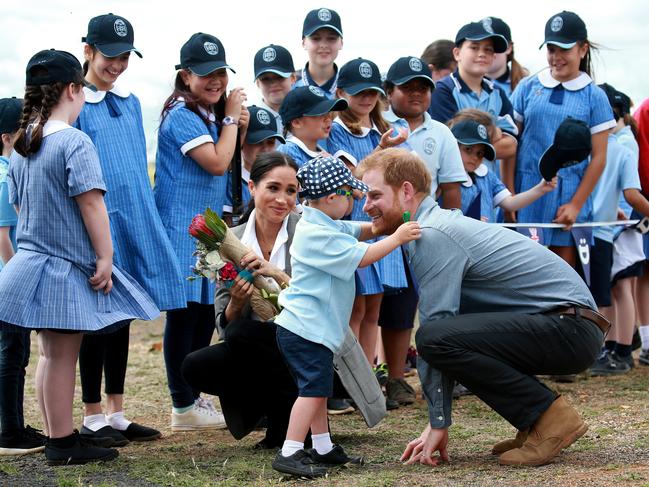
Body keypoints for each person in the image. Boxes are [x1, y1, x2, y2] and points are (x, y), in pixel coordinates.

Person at [359, 148, 608, 467]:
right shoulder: (435, 226)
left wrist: (438, 421)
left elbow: (437, 332)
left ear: (406, 190)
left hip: (571, 328)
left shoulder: (433, 235)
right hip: (570, 326)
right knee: (450, 339)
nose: (366, 206)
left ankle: (551, 420)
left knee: (433, 337)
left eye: (375, 195)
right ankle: (534, 423)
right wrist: (438, 418)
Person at [0, 49, 158, 465]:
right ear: (73, 89)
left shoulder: (23, 143)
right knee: (62, 357)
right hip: (63, 266)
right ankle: (63, 443)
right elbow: (92, 206)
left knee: (50, 356)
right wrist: (104, 257)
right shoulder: (73, 141)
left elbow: (19, 208)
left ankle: (59, 435)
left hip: (31, 261)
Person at [271, 155, 421, 478]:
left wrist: (384, 225)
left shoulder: (322, 222)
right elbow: (363, 257)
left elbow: (360, 231)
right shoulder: (317, 235)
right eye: (351, 195)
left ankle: (322, 446)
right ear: (331, 198)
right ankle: (290, 451)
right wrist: (396, 238)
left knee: (319, 388)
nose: (356, 202)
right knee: (311, 391)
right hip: (305, 330)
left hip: (312, 329)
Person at [75, 12, 183, 446]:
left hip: (134, 220)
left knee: (123, 318)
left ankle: (117, 411)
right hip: (97, 224)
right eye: (109, 56)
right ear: (88, 51)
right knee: (97, 321)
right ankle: (92, 414)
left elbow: (137, 167)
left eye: (124, 57)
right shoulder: (76, 102)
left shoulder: (131, 103)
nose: (116, 65)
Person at [154, 32, 249, 431]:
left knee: (201, 315)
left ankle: (191, 398)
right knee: (184, 314)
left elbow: (229, 163)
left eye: (221, 73)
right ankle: (182, 404)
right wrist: (230, 118)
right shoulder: (180, 114)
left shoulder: (203, 113)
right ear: (185, 75)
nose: (216, 81)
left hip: (206, 226)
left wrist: (234, 125)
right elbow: (214, 162)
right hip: (181, 225)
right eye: (206, 74)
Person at [381, 56, 465, 408]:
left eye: (423, 87)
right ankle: (375, 376)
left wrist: (451, 226)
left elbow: (450, 187)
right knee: (376, 305)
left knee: (419, 303)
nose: (416, 93)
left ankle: (403, 378)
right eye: (408, 86)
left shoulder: (441, 132)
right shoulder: (380, 124)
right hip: (380, 225)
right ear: (390, 92)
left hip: (423, 228)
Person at [327, 57, 408, 413]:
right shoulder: (335, 131)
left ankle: (369, 378)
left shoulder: (381, 131)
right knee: (354, 309)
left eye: (372, 92)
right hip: (354, 229)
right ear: (340, 92)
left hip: (380, 228)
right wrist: (383, 151)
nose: (365, 99)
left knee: (374, 307)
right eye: (357, 92)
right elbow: (351, 180)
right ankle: (346, 380)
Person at [511, 11, 615, 266]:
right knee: (525, 275)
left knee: (562, 282)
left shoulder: (595, 96)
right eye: (551, 49)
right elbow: (511, 144)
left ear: (582, 49)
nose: (556, 58)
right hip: (527, 191)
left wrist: (576, 205)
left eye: (564, 50)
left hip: (568, 196)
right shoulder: (527, 87)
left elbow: (599, 158)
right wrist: (509, 194)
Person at [588, 84, 649, 375]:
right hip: (612, 223)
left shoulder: (624, 145)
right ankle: (612, 346)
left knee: (623, 285)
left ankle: (623, 349)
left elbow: (631, 191)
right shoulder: (612, 144)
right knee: (613, 287)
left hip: (624, 226)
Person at [0, 96, 46, 456]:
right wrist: (21, 281)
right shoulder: (5, 174)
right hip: (8, 281)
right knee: (12, 355)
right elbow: (3, 237)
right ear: (6, 137)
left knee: (15, 354)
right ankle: (10, 431)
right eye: (24, 128)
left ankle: (13, 424)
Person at [429, 20, 518, 193]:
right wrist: (493, 134)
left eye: (488, 49)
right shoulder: (443, 91)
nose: (482, 54)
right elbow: (452, 146)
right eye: (474, 47)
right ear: (457, 53)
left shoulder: (498, 93)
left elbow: (511, 146)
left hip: (488, 189)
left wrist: (472, 142)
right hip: (451, 189)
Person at [448, 118, 555, 223]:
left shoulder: (486, 176)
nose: (475, 157)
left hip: (486, 239)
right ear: (453, 146)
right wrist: (470, 224)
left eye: (480, 153)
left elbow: (510, 203)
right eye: (468, 149)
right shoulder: (446, 177)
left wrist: (541, 188)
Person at [222, 105, 285, 219]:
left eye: (270, 142)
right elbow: (229, 226)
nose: (265, 149)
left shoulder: (283, 178)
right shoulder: (233, 181)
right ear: (241, 143)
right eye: (258, 142)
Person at [277, 85, 347, 167]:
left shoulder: (321, 151)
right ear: (296, 122)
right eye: (320, 114)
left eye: (328, 113)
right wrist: (331, 165)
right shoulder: (288, 150)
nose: (328, 119)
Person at [293, 8, 343, 98]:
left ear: (341, 43)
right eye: (316, 38)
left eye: (331, 38)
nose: (323, 45)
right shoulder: (290, 84)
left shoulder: (350, 85)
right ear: (304, 43)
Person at [253, 44, 296, 133]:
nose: (273, 83)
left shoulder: (307, 114)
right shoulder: (250, 120)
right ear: (257, 83)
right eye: (265, 79)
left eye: (279, 76)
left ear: (293, 78)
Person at [483, 17, 529, 98]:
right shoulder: (461, 84)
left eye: (494, 46)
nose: (486, 52)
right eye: (479, 46)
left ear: (508, 48)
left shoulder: (527, 86)